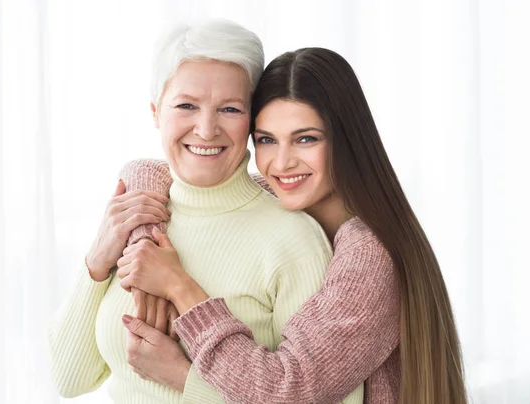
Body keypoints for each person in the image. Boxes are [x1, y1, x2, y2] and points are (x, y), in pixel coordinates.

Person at [118, 48, 468, 404]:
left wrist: (179, 293)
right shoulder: (278, 192)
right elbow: (151, 169)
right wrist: (144, 235)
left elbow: (289, 388)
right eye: (267, 140)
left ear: (346, 140)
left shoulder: (370, 254)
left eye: (306, 138)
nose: (282, 163)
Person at [47, 22, 364, 404]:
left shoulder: (292, 239)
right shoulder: (137, 220)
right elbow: (69, 379)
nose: (206, 128)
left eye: (229, 109)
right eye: (186, 106)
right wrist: (96, 263)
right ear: (155, 112)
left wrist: (188, 380)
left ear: (251, 120)